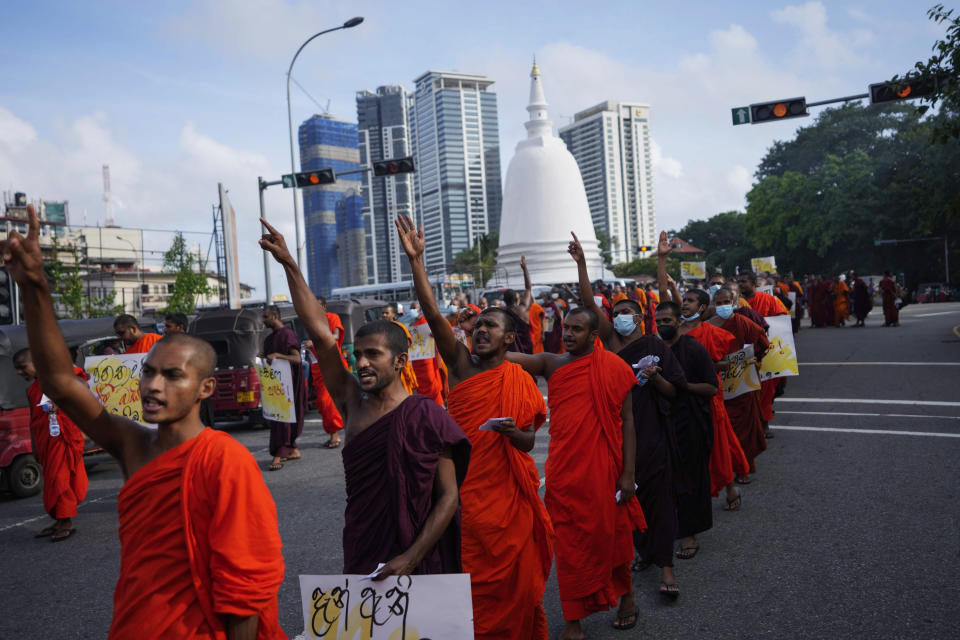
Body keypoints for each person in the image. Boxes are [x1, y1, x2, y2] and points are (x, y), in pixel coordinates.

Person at [2, 206, 286, 638]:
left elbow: (245, 590)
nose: (153, 385)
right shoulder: (133, 444)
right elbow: (60, 383)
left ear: (205, 389)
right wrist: (36, 287)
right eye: (149, 372)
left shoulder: (225, 460)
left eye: (173, 376)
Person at [259, 217, 470, 579]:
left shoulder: (428, 416)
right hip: (363, 542)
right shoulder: (353, 401)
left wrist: (412, 556)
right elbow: (322, 337)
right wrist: (290, 265)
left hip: (419, 555)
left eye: (374, 354)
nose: (363, 362)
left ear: (400, 360)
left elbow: (448, 496)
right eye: (359, 355)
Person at [395, 215, 554, 640]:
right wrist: (417, 263)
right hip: (464, 493)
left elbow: (528, 443)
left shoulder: (519, 379)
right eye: (478, 325)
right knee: (468, 578)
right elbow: (431, 313)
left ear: (508, 340)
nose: (481, 330)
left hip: (507, 495)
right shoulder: (462, 368)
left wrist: (508, 431)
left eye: (491, 327)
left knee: (515, 580)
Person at [506, 306, 645, 638]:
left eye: (577, 329)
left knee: (613, 538)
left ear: (593, 336)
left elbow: (627, 423)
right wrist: (481, 334)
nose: (568, 334)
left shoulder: (613, 366)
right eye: (566, 327)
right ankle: (573, 621)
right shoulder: (553, 364)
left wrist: (628, 475)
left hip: (603, 471)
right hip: (564, 474)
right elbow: (506, 357)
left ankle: (628, 598)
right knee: (568, 547)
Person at [570, 232, 685, 597]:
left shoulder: (652, 343)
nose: (619, 317)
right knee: (625, 496)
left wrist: (655, 379)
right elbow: (589, 302)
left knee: (660, 499)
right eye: (615, 313)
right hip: (615, 431)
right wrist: (583, 264)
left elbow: (675, 391)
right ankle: (642, 553)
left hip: (652, 429)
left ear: (639, 316)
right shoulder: (611, 343)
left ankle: (666, 567)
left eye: (626, 313)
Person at [658, 233, 747, 509]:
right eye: (684, 300)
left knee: (717, 447)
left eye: (691, 301)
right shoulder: (673, 329)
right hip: (675, 395)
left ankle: (730, 488)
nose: (684, 303)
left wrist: (704, 365)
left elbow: (725, 363)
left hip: (706, 395)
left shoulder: (712, 333)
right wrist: (662, 260)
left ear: (703, 308)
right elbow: (663, 296)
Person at [653, 301, 716, 562]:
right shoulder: (653, 350)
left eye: (667, 321)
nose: (662, 326)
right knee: (661, 480)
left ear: (679, 321)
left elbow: (711, 388)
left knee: (691, 478)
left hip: (689, 423)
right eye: (659, 321)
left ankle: (689, 533)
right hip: (660, 422)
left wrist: (683, 386)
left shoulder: (693, 349)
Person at [15, 348, 89, 542]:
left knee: (60, 479)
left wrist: (63, 401)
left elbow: (83, 392)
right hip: (45, 441)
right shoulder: (32, 389)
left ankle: (67, 522)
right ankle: (58, 520)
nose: (19, 373)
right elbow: (33, 419)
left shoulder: (62, 379)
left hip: (63, 439)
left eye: (23, 368)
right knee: (52, 480)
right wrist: (34, 445)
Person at [707, 288, 770, 482]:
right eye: (719, 303)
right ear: (713, 305)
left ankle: (745, 467)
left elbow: (763, 343)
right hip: (719, 380)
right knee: (722, 428)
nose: (723, 306)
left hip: (742, 380)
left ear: (734, 301)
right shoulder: (708, 326)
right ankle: (725, 469)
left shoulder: (743, 322)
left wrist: (754, 359)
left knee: (745, 426)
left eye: (727, 301)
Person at [737, 270, 789, 438]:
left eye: (744, 281)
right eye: (739, 281)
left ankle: (764, 424)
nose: (741, 284)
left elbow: (782, 319)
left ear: (753, 283)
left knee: (765, 392)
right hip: (744, 352)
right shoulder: (736, 303)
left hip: (766, 352)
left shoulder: (767, 299)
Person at [261, 305, 305, 471]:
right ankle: (293, 450)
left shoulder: (287, 334)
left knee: (283, 420)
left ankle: (279, 455)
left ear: (274, 317)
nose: (263, 320)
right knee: (277, 419)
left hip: (288, 387)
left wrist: (278, 356)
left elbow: (297, 359)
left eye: (265, 317)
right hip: (275, 387)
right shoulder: (269, 339)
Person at [306, 296, 347, 447]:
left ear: (323, 307)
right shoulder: (311, 323)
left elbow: (335, 336)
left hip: (332, 363)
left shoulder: (332, 317)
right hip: (317, 366)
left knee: (327, 400)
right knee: (322, 403)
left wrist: (316, 342)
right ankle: (333, 434)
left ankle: (336, 434)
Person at [163, 315, 215, 428]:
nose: (165, 330)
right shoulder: (168, 346)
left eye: (168, 326)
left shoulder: (194, 345)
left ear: (179, 327)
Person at [408, 302, 446, 405]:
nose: (412, 310)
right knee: (420, 386)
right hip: (416, 361)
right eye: (411, 308)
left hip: (428, 359)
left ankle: (439, 407)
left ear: (420, 310)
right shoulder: (411, 325)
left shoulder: (427, 323)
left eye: (414, 308)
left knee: (432, 384)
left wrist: (434, 334)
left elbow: (442, 333)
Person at [502, 259, 534, 354]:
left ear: (504, 301)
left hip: (511, 350)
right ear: (517, 299)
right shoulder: (522, 309)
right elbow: (528, 288)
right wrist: (524, 269)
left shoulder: (502, 313)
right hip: (527, 348)